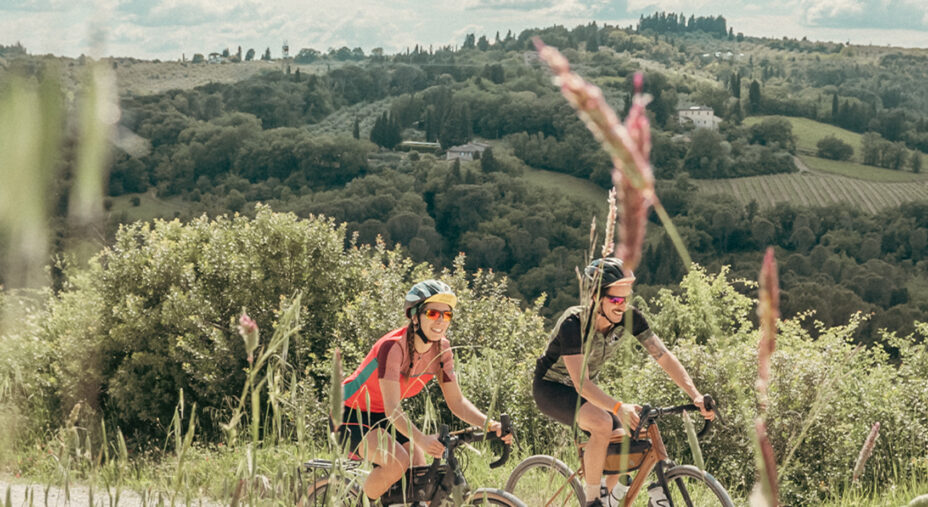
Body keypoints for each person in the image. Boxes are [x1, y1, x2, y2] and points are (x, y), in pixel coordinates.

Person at [532, 257, 715, 507]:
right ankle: (593, 500)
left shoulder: (629, 318)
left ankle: (611, 498)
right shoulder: (573, 324)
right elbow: (581, 385)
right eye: (616, 300)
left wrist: (694, 394)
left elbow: (662, 356)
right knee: (602, 423)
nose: (622, 306)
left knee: (625, 437)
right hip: (551, 388)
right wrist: (618, 407)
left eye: (626, 299)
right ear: (596, 297)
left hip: (584, 392)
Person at [336, 279, 513, 504]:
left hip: (383, 415)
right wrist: (421, 438)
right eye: (432, 313)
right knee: (397, 461)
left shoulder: (443, 350)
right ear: (415, 316)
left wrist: (489, 424)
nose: (440, 320)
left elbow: (457, 401)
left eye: (446, 315)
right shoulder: (393, 347)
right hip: (350, 412)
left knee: (420, 475)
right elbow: (392, 408)